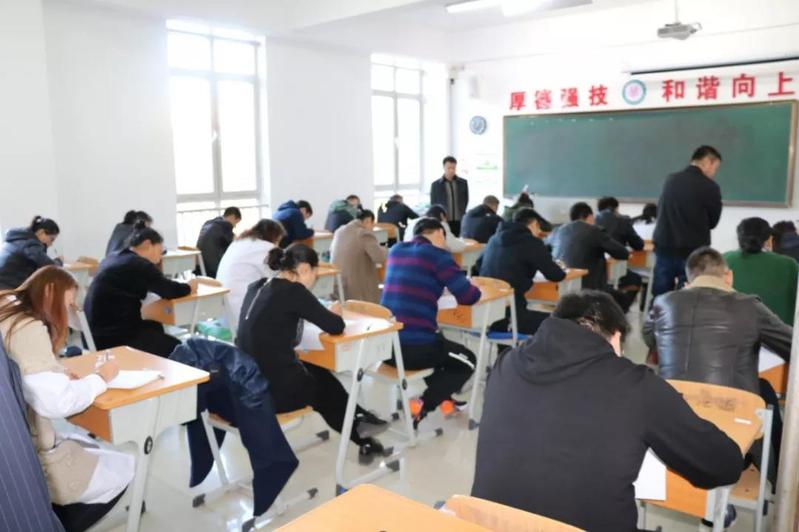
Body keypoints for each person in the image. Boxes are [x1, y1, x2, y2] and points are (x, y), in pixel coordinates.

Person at [472, 290, 743, 532]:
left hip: (489, 525)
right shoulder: (637, 386)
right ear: (615, 336)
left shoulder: (505, 364)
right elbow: (723, 466)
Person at [0, 266, 134, 532]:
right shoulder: (30, 327)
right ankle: (62, 521)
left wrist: (57, 369)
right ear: (50, 291)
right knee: (126, 468)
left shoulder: (8, 308)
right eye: (67, 303)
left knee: (88, 445)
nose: (67, 310)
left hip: (20, 442)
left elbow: (23, 370)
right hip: (33, 455)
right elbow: (56, 403)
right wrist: (101, 378)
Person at [643, 247, 791, 483]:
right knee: (765, 393)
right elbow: (792, 345)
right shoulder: (750, 307)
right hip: (730, 443)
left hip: (666, 438)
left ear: (689, 279)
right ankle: (776, 479)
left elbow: (650, 338)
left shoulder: (663, 302)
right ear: (728, 276)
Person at [235, 244, 388, 462]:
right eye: (315, 275)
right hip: (271, 393)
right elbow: (335, 326)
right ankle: (361, 427)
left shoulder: (257, 286)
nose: (313, 282)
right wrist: (334, 313)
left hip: (247, 383)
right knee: (326, 391)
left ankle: (363, 430)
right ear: (305, 269)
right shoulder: (294, 291)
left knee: (318, 373)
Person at [381, 218, 481, 426]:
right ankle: (423, 404)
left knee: (440, 342)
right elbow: (468, 297)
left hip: (386, 348)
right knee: (467, 361)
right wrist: (475, 285)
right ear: (439, 233)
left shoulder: (396, 250)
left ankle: (446, 401)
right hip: (414, 350)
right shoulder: (438, 256)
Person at [85, 222, 197, 357]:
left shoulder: (113, 257)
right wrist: (190, 286)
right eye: (160, 251)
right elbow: (170, 290)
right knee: (179, 348)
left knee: (154, 326)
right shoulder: (139, 264)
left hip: (93, 335)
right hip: (114, 338)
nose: (159, 259)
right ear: (148, 244)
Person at [477, 208, 565, 335]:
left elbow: (478, 264)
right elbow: (557, 275)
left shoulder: (493, 239)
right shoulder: (532, 242)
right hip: (513, 318)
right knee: (560, 323)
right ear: (534, 223)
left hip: (487, 316)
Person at [652, 146, 723, 297]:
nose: (713, 173)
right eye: (715, 168)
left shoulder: (670, 180)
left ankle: (658, 312)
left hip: (665, 246)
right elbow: (713, 222)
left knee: (661, 293)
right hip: (693, 252)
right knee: (689, 295)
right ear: (708, 162)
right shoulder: (710, 187)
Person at [724, 217, 798, 325]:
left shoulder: (723, 260)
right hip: (782, 332)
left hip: (733, 330)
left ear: (739, 238)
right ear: (768, 240)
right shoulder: (789, 264)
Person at [216, 219, 285, 325]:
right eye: (278, 240)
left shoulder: (239, 242)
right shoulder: (265, 247)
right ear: (274, 236)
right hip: (241, 312)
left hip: (223, 312)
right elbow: (278, 276)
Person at [547, 202, 629, 291]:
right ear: (590, 217)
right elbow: (623, 253)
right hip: (589, 288)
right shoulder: (594, 231)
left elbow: (547, 252)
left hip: (560, 287)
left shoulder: (557, 231)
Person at [330, 210, 387, 304]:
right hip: (356, 290)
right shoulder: (363, 233)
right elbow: (379, 257)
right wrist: (385, 250)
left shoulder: (339, 231)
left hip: (338, 284)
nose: (372, 229)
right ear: (368, 221)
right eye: (372, 225)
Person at [595, 196, 644, 302]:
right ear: (616, 209)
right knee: (635, 279)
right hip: (614, 271)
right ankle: (622, 308)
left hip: (593, 273)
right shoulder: (623, 221)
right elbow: (638, 245)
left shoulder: (591, 221)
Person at [0, 216, 63, 290]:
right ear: (41, 232)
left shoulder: (18, 238)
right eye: (51, 239)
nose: (51, 243)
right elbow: (50, 266)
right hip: (7, 286)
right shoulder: (30, 244)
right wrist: (59, 261)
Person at [195, 207, 242, 278]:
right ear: (232, 217)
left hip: (200, 267)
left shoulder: (208, 223)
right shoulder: (225, 225)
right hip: (213, 270)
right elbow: (235, 243)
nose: (235, 226)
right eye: (236, 222)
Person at [430, 156, 468, 237]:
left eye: (453, 168)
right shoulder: (436, 185)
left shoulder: (463, 183)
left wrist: (462, 211)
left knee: (459, 240)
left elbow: (466, 199)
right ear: (444, 167)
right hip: (444, 220)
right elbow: (433, 204)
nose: (451, 170)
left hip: (459, 219)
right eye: (449, 168)